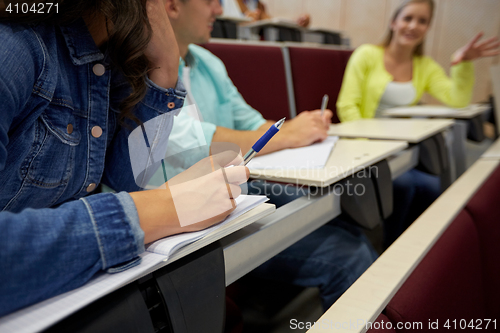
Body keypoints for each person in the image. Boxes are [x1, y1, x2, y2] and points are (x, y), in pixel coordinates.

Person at [0, 0, 249, 317]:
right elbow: (136, 201)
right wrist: (163, 208)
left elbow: (124, 181)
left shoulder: (110, 58)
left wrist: (165, 69)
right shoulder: (15, 45)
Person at [163, 0, 377, 310]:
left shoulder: (208, 62)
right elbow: (191, 142)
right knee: (350, 254)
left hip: (235, 188)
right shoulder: (140, 67)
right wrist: (291, 134)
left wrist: (301, 126)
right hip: (189, 212)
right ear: (171, 6)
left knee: (345, 220)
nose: (220, 11)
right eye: (211, 1)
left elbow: (252, 123)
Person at [337, 0, 500, 247]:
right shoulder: (367, 55)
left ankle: (411, 249)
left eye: (422, 21)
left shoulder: (424, 66)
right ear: (394, 22)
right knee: (405, 186)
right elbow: (346, 106)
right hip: (366, 148)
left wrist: (461, 63)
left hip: (403, 149)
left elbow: (457, 100)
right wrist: (370, 145)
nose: (413, 26)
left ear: (427, 28)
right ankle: (387, 248)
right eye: (408, 18)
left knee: (431, 186)